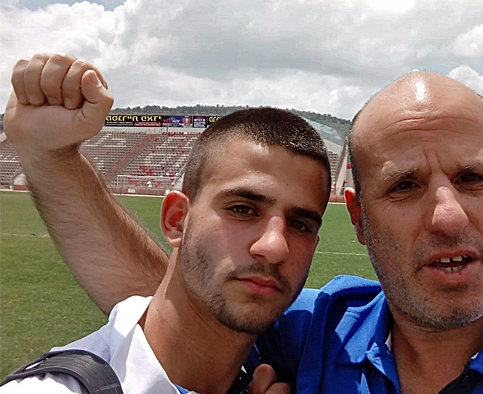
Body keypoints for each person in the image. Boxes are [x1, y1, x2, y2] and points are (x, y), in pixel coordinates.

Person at [5, 54, 483, 393]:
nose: (448, 215)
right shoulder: (321, 332)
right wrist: (52, 159)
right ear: (359, 219)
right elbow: (185, 304)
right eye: (405, 186)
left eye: (472, 178)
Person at [2, 54, 333, 394]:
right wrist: (49, 155)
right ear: (177, 220)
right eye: (242, 209)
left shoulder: (314, 336)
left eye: (300, 225)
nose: (275, 246)